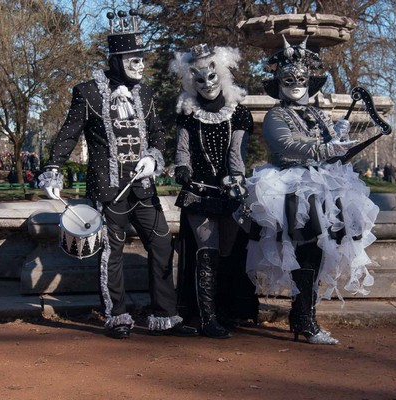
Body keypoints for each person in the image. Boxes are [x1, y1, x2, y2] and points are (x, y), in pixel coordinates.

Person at [38, 9, 197, 340]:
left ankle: (165, 314)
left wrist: (154, 158)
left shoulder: (147, 94)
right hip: (108, 189)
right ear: (115, 58)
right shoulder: (88, 92)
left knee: (162, 243)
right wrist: (53, 170)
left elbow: (158, 137)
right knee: (111, 252)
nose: (140, 64)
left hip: (143, 188)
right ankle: (117, 315)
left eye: (142, 57)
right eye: (133, 57)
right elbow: (68, 134)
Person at [244, 36, 379, 345]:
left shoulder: (317, 113)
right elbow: (284, 144)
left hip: (322, 187)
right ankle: (304, 319)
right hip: (291, 189)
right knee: (304, 249)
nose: (295, 84)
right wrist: (324, 146)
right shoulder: (277, 115)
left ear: (310, 82)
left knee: (316, 252)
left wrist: (338, 137)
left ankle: (303, 316)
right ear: (279, 81)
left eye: (300, 79)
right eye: (289, 78)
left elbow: (332, 146)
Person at [169, 44, 257, 338]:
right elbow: (182, 150)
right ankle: (207, 319)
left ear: (222, 74)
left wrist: (237, 180)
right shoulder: (187, 113)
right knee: (206, 252)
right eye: (199, 79)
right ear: (190, 80)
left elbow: (236, 154)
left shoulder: (238, 113)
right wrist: (182, 168)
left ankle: (225, 310)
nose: (207, 84)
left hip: (228, 193)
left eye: (211, 77)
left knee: (228, 253)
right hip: (198, 194)